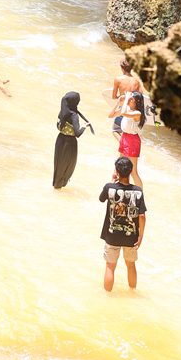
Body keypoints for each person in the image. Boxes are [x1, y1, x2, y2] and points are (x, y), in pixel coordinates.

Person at [99, 157, 146, 292]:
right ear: (131, 171)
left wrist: (112, 180)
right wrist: (140, 236)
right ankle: (132, 292)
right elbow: (142, 216)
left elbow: (101, 199)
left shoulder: (110, 188)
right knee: (131, 265)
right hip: (131, 236)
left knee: (110, 266)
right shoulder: (138, 191)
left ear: (117, 171)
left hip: (112, 234)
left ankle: (107, 295)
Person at [53, 90, 94, 189]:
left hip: (60, 140)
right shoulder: (74, 116)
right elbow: (78, 134)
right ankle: (58, 189)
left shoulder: (62, 112)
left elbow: (58, 126)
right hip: (70, 144)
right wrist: (84, 126)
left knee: (59, 166)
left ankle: (56, 188)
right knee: (68, 167)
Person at [108, 89, 145, 188]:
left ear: (137, 101)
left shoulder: (137, 113)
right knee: (119, 167)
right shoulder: (127, 109)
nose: (128, 100)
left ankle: (140, 194)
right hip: (124, 138)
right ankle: (121, 188)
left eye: (131, 99)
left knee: (133, 172)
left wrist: (126, 99)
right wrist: (118, 101)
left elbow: (123, 113)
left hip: (132, 140)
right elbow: (110, 115)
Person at [111, 57, 147, 138]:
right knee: (129, 131)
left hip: (123, 107)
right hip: (133, 109)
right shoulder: (136, 81)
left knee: (115, 130)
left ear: (122, 68)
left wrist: (122, 97)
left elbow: (114, 96)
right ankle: (126, 146)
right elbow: (141, 95)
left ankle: (123, 146)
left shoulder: (118, 79)